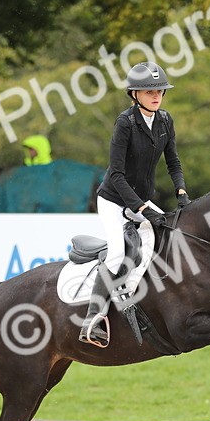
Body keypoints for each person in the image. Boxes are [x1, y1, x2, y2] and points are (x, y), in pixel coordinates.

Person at [79, 61, 190, 347]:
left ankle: (142, 300)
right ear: (134, 95)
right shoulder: (125, 123)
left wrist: (181, 190)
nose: (156, 96)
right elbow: (115, 174)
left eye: (160, 91)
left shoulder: (165, 120)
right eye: (149, 91)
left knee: (163, 242)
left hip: (142, 198)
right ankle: (92, 318)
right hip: (114, 200)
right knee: (117, 254)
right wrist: (141, 209)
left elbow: (173, 161)